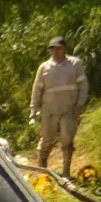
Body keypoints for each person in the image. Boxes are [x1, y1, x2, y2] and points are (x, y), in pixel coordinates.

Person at [30, 36, 89, 179]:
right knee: (46, 141)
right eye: (52, 49)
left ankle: (66, 173)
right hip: (49, 111)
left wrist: (79, 105)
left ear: (64, 49)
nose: (55, 52)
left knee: (67, 141)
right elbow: (37, 89)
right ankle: (42, 172)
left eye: (58, 48)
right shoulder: (44, 67)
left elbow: (83, 85)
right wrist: (33, 109)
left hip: (69, 110)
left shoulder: (75, 64)